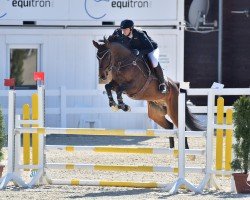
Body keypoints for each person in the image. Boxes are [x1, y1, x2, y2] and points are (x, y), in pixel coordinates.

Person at [112, 19, 168, 94]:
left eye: (126, 29)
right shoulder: (118, 32)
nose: (123, 31)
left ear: (131, 29)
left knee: (154, 61)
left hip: (150, 49)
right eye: (122, 29)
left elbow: (149, 47)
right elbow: (111, 41)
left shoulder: (139, 34)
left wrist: (139, 52)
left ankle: (162, 83)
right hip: (135, 51)